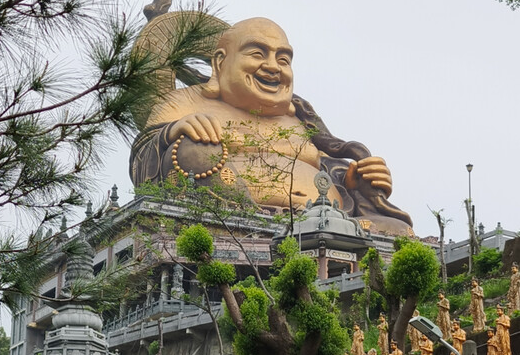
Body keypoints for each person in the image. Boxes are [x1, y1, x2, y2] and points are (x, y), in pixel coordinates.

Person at [130, 15, 412, 233]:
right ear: (219, 63)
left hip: (328, 228)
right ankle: (250, 221)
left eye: (283, 58)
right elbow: (145, 159)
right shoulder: (186, 102)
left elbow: (328, 169)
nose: (273, 66)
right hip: (237, 227)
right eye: (257, 53)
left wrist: (354, 182)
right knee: (194, 151)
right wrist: (173, 132)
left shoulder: (299, 119)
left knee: (399, 231)